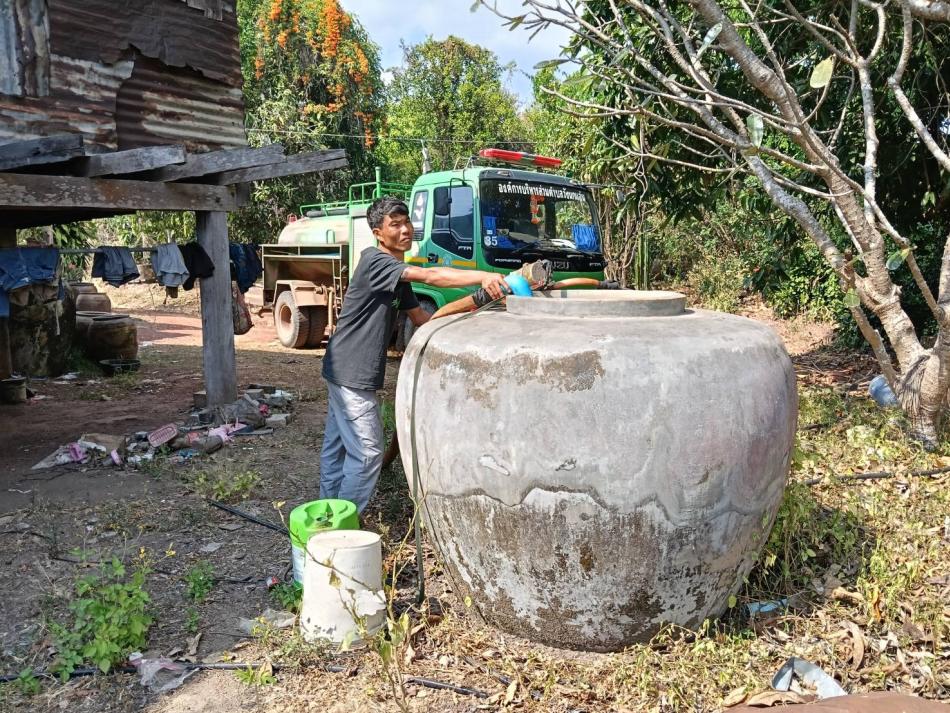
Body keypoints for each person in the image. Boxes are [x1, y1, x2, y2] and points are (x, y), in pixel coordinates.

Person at [319, 196, 510, 513]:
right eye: (395, 224)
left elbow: (422, 320)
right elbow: (432, 276)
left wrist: (477, 303)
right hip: (351, 371)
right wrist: (482, 277)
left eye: (407, 222)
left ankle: (326, 509)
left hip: (342, 367)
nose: (405, 229)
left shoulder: (395, 274)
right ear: (378, 233)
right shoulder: (375, 262)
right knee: (367, 452)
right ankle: (343, 523)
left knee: (337, 446)